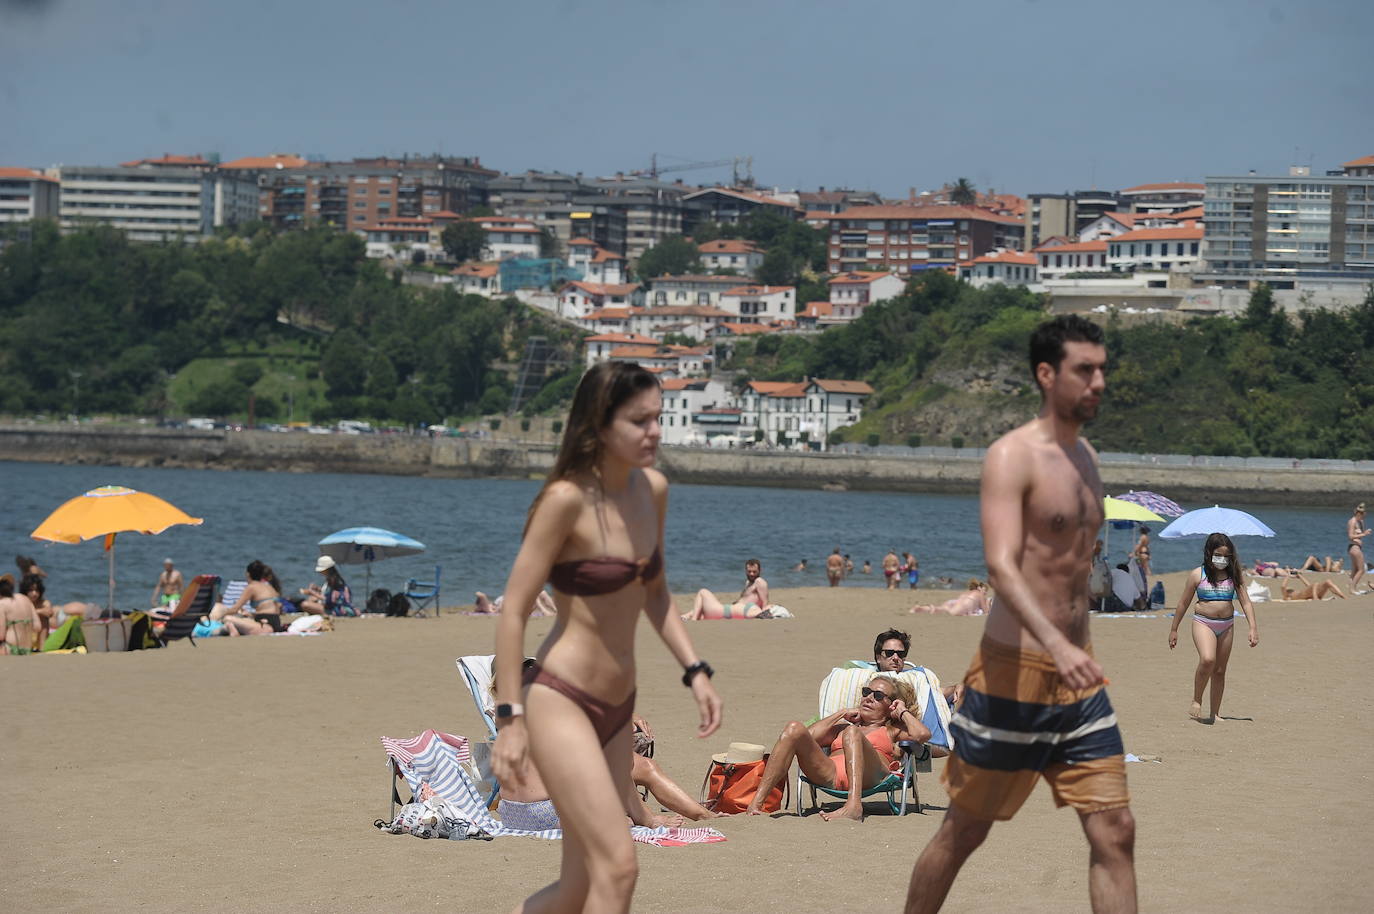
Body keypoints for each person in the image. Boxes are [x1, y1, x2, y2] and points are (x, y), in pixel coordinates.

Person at [905, 315, 1136, 914]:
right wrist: (1056, 646)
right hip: (1013, 675)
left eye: (1103, 369)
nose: (1099, 381)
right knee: (965, 831)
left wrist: (1075, 650)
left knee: (1116, 831)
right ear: (1046, 374)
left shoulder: (1086, 457)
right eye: (1085, 370)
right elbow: (1002, 566)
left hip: (1080, 682)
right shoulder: (1011, 456)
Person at [491, 361, 722, 913]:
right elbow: (513, 612)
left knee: (575, 887)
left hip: (622, 706)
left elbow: (658, 594)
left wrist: (695, 670)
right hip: (561, 700)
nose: (656, 431)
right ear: (599, 425)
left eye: (659, 418)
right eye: (639, 420)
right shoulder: (565, 501)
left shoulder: (654, 490)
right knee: (618, 867)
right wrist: (510, 720)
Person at [745, 673, 930, 822]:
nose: (869, 698)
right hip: (830, 774)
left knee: (852, 733)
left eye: (878, 696)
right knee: (793, 728)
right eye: (866, 692)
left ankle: (853, 805)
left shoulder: (892, 730)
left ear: (891, 705)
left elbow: (922, 735)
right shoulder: (841, 728)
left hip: (873, 775)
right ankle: (756, 804)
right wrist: (841, 713)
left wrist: (902, 711)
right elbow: (801, 738)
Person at [1167, 532, 1258, 723]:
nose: (1222, 559)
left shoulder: (1233, 575)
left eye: (1226, 556)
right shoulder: (1197, 575)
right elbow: (1183, 603)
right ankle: (1197, 699)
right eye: (1219, 554)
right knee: (1208, 659)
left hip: (1226, 625)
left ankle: (1215, 713)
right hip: (1203, 622)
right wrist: (1174, 629)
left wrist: (1252, 628)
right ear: (1209, 553)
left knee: (1220, 670)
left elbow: (1246, 603)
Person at [875, 628, 961, 708]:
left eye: (900, 654)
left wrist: (956, 687)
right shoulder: (869, 679)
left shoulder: (917, 677)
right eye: (889, 653)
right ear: (878, 657)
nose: (896, 658)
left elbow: (937, 694)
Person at [681, 558, 771, 620]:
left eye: (754, 572)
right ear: (745, 570)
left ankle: (693, 620)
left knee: (702, 592)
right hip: (728, 612)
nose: (751, 574)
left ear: (760, 570)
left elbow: (764, 602)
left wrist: (763, 613)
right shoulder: (748, 583)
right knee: (700, 610)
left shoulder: (759, 582)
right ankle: (685, 616)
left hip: (726, 612)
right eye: (749, 571)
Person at [211, 560, 282, 621]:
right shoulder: (269, 586)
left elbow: (234, 609)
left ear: (248, 574)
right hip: (276, 620)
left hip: (265, 621)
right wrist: (251, 614)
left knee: (228, 619)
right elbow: (277, 607)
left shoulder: (251, 587)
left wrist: (219, 616)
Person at [0, 574, 41, 655]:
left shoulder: (2, 604)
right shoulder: (25, 598)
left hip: (10, 649)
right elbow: (37, 627)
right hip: (27, 650)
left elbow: (1, 635)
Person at [909, 579, 990, 616]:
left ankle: (921, 608)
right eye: (985, 591)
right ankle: (923, 609)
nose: (985, 593)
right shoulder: (980, 594)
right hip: (960, 608)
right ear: (980, 589)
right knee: (947, 612)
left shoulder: (967, 592)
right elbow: (985, 611)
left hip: (954, 603)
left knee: (941, 609)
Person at [474, 590, 556, 617]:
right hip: (514, 607)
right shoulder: (489, 610)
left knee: (542, 592)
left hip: (518, 604)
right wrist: (494, 607)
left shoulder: (493, 604)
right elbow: (480, 594)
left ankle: (556, 609)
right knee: (533, 594)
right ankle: (544, 611)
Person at [1347, 503, 1369, 594]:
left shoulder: (1360, 521)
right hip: (1354, 547)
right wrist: (1364, 534)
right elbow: (1350, 536)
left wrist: (1363, 530)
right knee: (1361, 569)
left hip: (1357, 547)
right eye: (1363, 514)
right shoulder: (1352, 521)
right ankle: (1352, 589)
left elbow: (1360, 533)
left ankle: (1352, 588)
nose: (1364, 516)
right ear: (1358, 513)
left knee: (1355, 570)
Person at [1279, 572, 1347, 602]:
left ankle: (1343, 596)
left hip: (1313, 593)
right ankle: (1316, 599)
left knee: (1328, 582)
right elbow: (1282, 586)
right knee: (1314, 584)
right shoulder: (1287, 596)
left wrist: (1299, 576)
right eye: (1288, 589)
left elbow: (1308, 585)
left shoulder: (1297, 592)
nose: (1289, 588)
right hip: (1314, 595)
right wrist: (1288, 575)